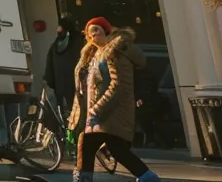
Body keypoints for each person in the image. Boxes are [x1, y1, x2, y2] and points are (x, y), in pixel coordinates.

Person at [68, 16, 159, 182]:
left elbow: (118, 85)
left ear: (107, 31)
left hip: (113, 110)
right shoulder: (96, 54)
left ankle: (83, 179)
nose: (93, 34)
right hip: (105, 111)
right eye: (89, 32)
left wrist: (96, 110)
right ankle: (148, 177)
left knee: (88, 142)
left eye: (96, 29)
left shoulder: (115, 52)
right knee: (116, 149)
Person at [44, 15, 84, 114]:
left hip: (61, 85)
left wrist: (50, 81)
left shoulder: (56, 44)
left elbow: (50, 66)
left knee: (66, 112)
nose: (57, 29)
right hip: (77, 84)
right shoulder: (80, 41)